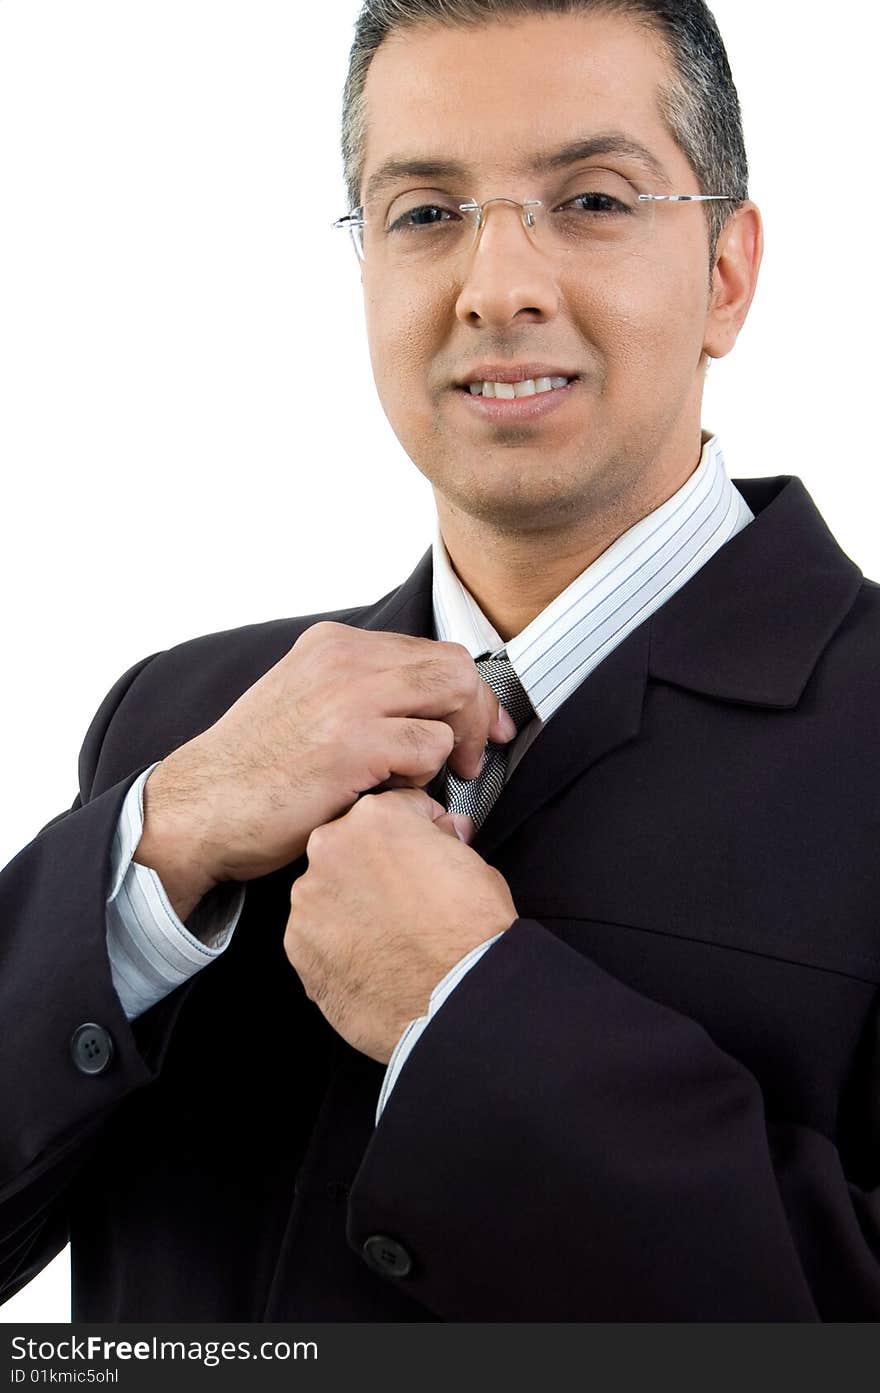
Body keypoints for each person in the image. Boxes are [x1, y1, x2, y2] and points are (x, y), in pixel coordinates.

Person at [2, 0, 879, 1322]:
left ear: (726, 273)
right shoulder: (178, 721)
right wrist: (152, 846)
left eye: (589, 198)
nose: (497, 285)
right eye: (424, 213)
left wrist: (470, 1016)